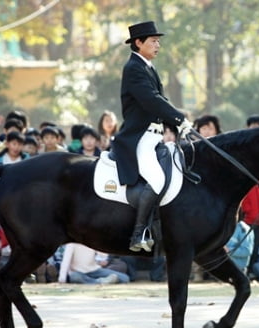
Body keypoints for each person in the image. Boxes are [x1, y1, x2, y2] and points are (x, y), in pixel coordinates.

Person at [111, 21, 191, 253]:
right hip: (140, 137)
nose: (158, 45)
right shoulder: (134, 68)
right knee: (157, 179)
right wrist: (178, 118)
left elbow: (160, 102)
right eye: (153, 41)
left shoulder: (148, 67)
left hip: (156, 136)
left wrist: (179, 126)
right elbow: (151, 101)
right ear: (138, 43)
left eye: (158, 41)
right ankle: (138, 233)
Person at [58, 243, 130, 284]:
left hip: (94, 270)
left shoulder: (91, 241)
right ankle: (100, 281)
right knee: (75, 277)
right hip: (79, 272)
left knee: (125, 278)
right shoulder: (71, 244)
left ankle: (97, 281)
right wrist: (62, 278)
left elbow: (103, 256)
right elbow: (66, 261)